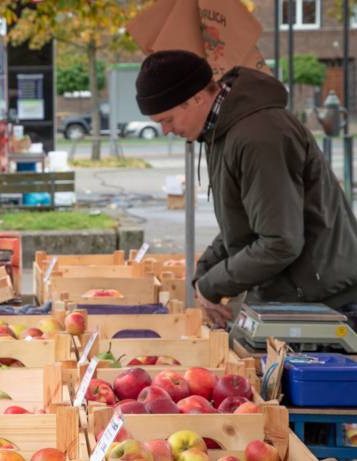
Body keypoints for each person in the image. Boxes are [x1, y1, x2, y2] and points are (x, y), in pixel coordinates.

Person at [135, 50, 357, 328]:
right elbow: (244, 221)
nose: (166, 130)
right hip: (297, 292)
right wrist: (204, 272)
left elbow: (280, 242)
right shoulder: (220, 131)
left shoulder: (259, 136)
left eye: (166, 119)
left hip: (324, 300)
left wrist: (212, 284)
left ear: (197, 98)